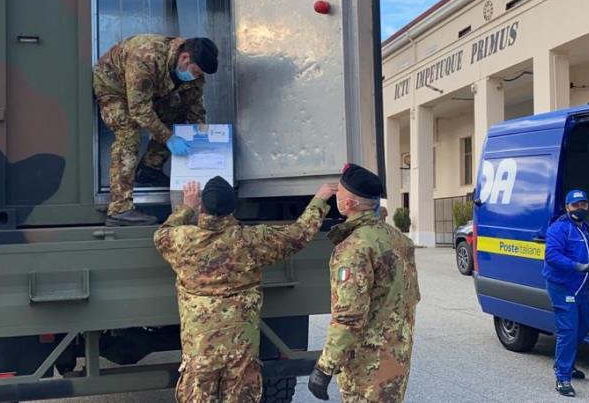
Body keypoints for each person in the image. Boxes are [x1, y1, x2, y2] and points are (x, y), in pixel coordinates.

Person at [155, 176, 337, 402]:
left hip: (200, 353)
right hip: (240, 353)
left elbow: (162, 234)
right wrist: (319, 200)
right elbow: (297, 235)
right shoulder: (251, 240)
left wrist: (186, 207)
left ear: (202, 206)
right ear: (233, 208)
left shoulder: (183, 240)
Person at [308, 164, 420, 403]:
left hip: (369, 367)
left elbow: (349, 316)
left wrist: (325, 366)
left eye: (338, 193)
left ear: (348, 204)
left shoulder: (354, 248)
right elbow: (411, 297)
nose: (335, 197)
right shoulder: (399, 238)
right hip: (396, 358)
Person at [93, 34, 219, 226]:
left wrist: (201, 134)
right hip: (113, 86)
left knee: (175, 112)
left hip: (147, 91)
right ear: (185, 58)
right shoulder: (146, 57)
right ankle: (120, 208)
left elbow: (193, 105)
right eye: (196, 72)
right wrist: (169, 138)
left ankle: (149, 170)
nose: (197, 76)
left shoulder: (193, 73)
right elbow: (139, 110)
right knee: (128, 133)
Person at [543, 190, 589, 397]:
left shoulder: (587, 229)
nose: (580, 208)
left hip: (580, 286)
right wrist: (581, 267)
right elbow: (552, 256)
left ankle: (568, 362)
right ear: (567, 207)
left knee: (585, 323)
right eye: (575, 205)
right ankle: (562, 377)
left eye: (583, 204)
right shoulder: (559, 228)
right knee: (568, 329)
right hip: (562, 285)